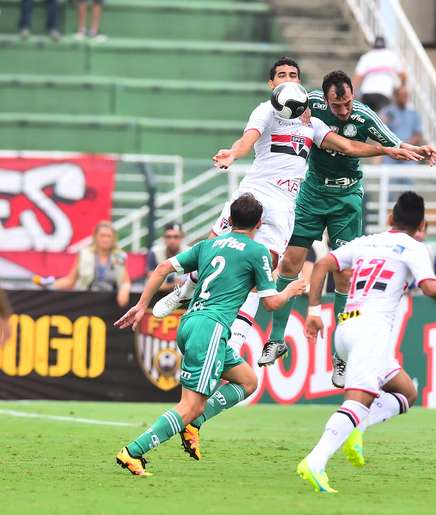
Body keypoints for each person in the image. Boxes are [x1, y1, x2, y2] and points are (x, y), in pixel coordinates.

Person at [151, 58, 422, 356]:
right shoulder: (265, 110)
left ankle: (238, 340)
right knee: (213, 247)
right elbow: (247, 139)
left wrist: (387, 150)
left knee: (264, 268)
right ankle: (183, 291)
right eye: (281, 75)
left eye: (293, 75)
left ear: (300, 84)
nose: (287, 79)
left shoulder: (313, 122)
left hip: (284, 205)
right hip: (253, 192)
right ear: (272, 84)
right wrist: (233, 154)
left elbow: (347, 147)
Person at [297, 192, 436, 493]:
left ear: (390, 218)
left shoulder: (365, 241)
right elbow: (431, 288)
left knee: (405, 392)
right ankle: (316, 460)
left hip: (347, 327)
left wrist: (313, 311)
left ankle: (356, 427)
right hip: (371, 330)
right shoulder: (414, 248)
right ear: (422, 225)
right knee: (358, 400)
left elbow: (322, 265)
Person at [261, 70, 436, 378]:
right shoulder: (311, 104)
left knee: (344, 275)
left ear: (352, 96)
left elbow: (393, 143)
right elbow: (280, 109)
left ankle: (340, 356)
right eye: (336, 105)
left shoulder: (365, 118)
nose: (342, 110)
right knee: (290, 262)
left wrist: (419, 152)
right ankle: (276, 340)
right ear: (325, 98)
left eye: (346, 103)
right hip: (312, 194)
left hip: (346, 199)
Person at [114, 194, 307, 476]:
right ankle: (133, 452)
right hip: (212, 328)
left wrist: (143, 305)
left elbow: (162, 268)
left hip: (191, 322)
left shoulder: (207, 245)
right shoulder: (258, 252)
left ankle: (195, 422)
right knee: (189, 406)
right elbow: (270, 303)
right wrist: (291, 290)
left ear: (228, 220)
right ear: (260, 223)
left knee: (247, 380)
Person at [34, 220, 131, 307]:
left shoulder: (120, 256)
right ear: (95, 237)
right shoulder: (84, 254)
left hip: (111, 305)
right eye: (102, 235)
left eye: (109, 236)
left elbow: (125, 281)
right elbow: (70, 280)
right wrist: (50, 285)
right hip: (85, 302)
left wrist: (125, 289)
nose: (105, 239)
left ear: (113, 238)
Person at [353, 36, 406, 112]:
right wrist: (402, 87)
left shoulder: (366, 57)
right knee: (382, 120)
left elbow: (358, 77)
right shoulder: (392, 56)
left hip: (367, 93)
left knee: (368, 118)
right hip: (384, 93)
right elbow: (403, 75)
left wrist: (353, 91)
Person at [381, 86, 423, 165]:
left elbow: (418, 135)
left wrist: (405, 147)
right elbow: (380, 131)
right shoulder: (387, 112)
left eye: (406, 95)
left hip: (408, 157)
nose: (405, 98)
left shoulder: (414, 114)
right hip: (391, 156)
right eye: (403, 95)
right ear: (396, 96)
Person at [146, 223, 188, 294]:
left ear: (182, 237)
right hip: (157, 294)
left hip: (183, 295)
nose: (172, 240)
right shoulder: (155, 252)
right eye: (168, 237)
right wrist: (172, 285)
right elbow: (152, 283)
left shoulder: (188, 252)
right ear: (163, 238)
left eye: (176, 237)